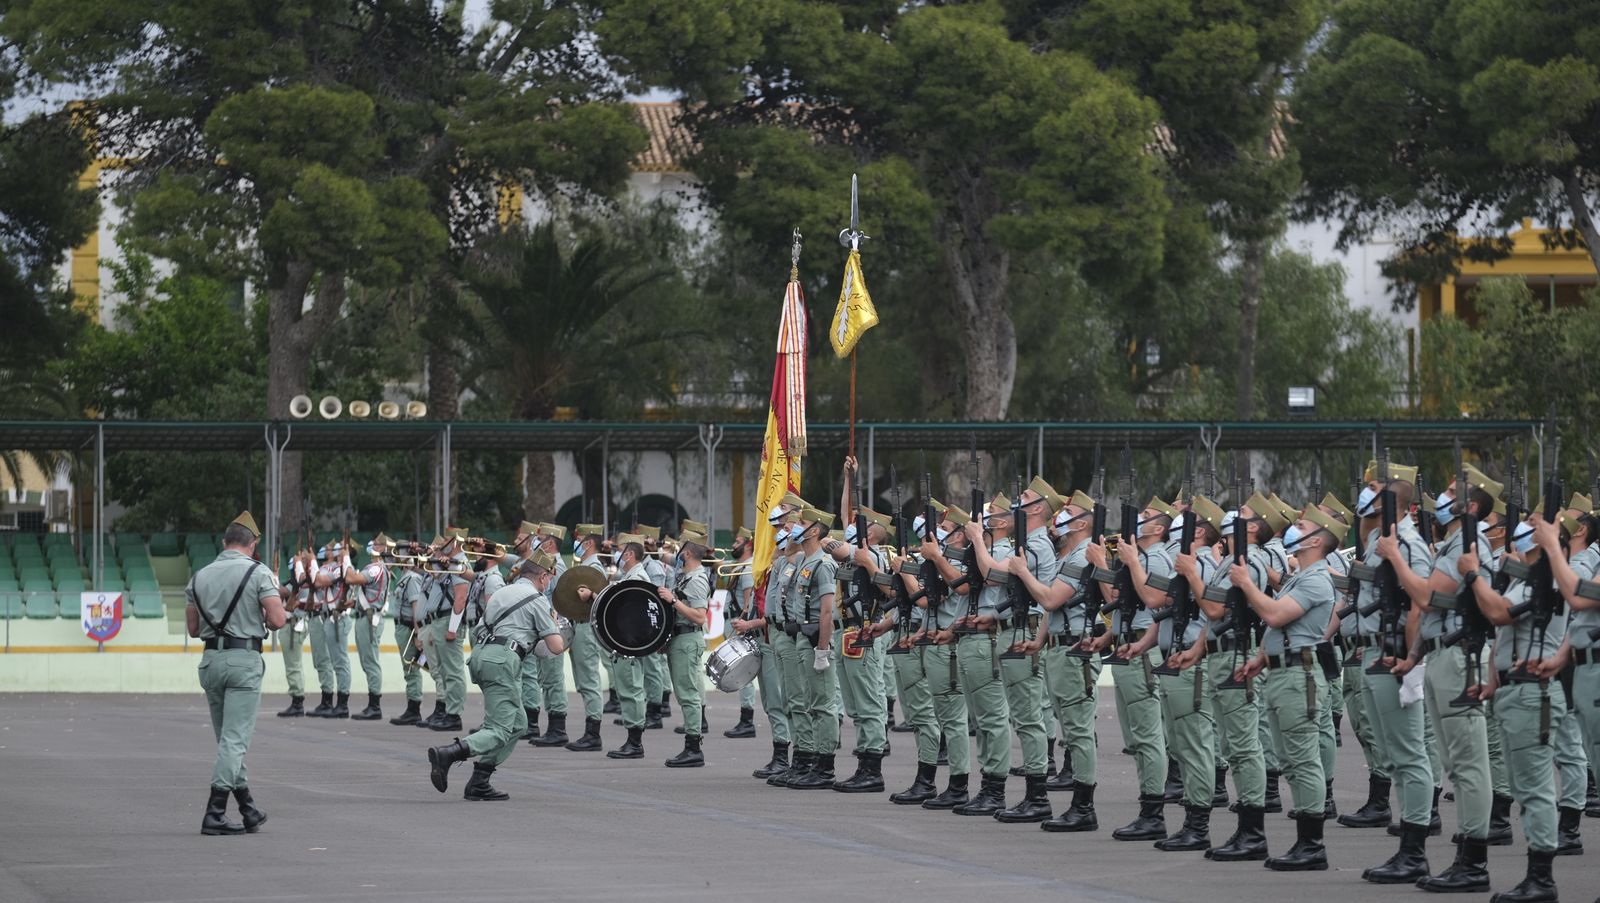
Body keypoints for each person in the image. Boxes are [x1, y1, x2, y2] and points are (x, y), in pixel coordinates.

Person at [1390, 465, 1499, 892]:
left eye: (1453, 492)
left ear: (1470, 506)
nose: (1442, 497)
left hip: (1460, 657)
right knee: (1456, 763)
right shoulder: (1452, 543)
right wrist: (1414, 655)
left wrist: (1395, 557)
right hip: (1442, 654)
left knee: (1469, 764)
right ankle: (1466, 856)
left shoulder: (1467, 545)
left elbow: (1427, 597)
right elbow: (1436, 613)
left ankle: (1473, 862)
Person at [1229, 504, 1342, 871]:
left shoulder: (1315, 579)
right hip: (1283, 672)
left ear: (1318, 540)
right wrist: (1261, 658)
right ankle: (1305, 841)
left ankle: (1312, 845)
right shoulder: (1298, 577)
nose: (1294, 528)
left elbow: (1275, 615)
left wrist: (1247, 583)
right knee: (1290, 760)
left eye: (1302, 526)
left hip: (1299, 676)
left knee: (1303, 760)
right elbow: (1281, 628)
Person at [1460, 517, 1567, 903]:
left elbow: (1499, 613)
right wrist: (1493, 682)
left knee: (1535, 790)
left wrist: (1474, 575)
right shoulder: (1530, 578)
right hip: (1514, 690)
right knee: (1526, 787)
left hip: (1531, 692)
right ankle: (1536, 876)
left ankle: (1542, 879)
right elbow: (1506, 634)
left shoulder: (1547, 578)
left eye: (1530, 526)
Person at [427, 551, 565, 800]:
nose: (548, 584)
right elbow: (554, 648)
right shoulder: (537, 600)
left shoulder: (502, 592)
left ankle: (480, 780)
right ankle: (449, 753)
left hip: (482, 656)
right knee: (500, 729)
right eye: (548, 579)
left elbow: (480, 629)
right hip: (503, 661)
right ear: (543, 576)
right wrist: (554, 624)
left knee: (518, 724)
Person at [185, 511, 286, 835]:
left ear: (224, 542)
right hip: (243, 661)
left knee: (227, 740)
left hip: (210, 661)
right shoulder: (259, 572)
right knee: (234, 741)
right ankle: (214, 813)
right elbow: (278, 620)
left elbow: (192, 628)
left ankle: (248, 808)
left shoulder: (199, 577)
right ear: (253, 544)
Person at [1086, 495, 1172, 841]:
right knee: (1136, 738)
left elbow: (1151, 601)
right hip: (1126, 645)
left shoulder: (1158, 559)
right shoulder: (1138, 557)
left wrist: (1102, 565)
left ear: (1159, 528)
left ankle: (1153, 813)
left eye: (1147, 515)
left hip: (1142, 652)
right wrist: (1109, 636)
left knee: (1148, 736)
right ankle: (1147, 807)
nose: (1140, 518)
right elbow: (1122, 604)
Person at [785, 508, 840, 789]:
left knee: (823, 704)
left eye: (802, 523)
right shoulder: (804, 560)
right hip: (802, 637)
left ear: (815, 530)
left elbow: (827, 611)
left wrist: (822, 649)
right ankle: (816, 761)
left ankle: (825, 767)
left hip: (816, 639)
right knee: (810, 703)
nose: (796, 526)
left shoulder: (824, 564)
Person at [660, 530, 713, 767]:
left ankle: (693, 748)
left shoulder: (697, 580)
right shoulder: (686, 576)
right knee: (684, 694)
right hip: (679, 640)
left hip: (688, 640)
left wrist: (673, 600)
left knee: (689, 695)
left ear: (688, 553)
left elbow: (700, 617)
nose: (677, 552)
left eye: (680, 548)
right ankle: (691, 746)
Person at [603, 536, 653, 759]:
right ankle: (632, 739)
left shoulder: (637, 578)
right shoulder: (630, 576)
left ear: (630, 554)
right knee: (628, 688)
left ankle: (635, 743)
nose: (617, 555)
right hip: (625, 641)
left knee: (632, 689)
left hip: (629, 642)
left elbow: (634, 614)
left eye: (620, 550)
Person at [422, 529, 471, 733]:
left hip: (448, 621)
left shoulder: (460, 563)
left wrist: (452, 628)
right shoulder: (449, 562)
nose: (443, 544)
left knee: (453, 671)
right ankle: (448, 712)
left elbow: (461, 597)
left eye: (447, 541)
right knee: (444, 670)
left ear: (456, 542)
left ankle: (454, 715)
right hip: (439, 621)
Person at [343, 533, 392, 721]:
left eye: (378, 544)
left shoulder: (376, 567)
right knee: (368, 661)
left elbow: (352, 579)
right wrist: (354, 602)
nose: (373, 545)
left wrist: (346, 558)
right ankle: (373, 703)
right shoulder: (377, 567)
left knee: (371, 662)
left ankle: (375, 706)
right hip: (365, 616)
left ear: (383, 549)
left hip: (370, 620)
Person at [722, 528, 763, 740]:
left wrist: (743, 625)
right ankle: (745, 719)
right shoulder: (740, 565)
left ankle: (747, 720)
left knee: (743, 674)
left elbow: (748, 601)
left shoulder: (747, 569)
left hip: (740, 625)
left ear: (748, 544)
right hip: (734, 624)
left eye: (738, 542)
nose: (733, 545)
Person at [307, 541, 352, 718]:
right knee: (335, 661)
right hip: (329, 617)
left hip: (337, 618)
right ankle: (334, 703)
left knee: (340, 662)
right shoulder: (336, 569)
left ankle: (342, 704)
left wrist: (312, 561)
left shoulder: (341, 570)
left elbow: (318, 581)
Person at [388, 546, 429, 725]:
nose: (396, 558)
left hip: (408, 628)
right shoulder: (406, 577)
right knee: (409, 668)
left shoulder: (412, 578)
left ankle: (414, 709)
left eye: (400, 554)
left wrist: (418, 633)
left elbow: (415, 606)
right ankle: (412, 707)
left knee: (411, 669)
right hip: (402, 627)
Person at [274, 547, 313, 717]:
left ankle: (297, 702)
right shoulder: (296, 581)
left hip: (294, 625)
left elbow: (291, 600)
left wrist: (282, 589)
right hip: (290, 625)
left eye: (303, 559)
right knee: (294, 665)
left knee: (293, 666)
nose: (298, 561)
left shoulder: (305, 582)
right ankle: (297, 699)